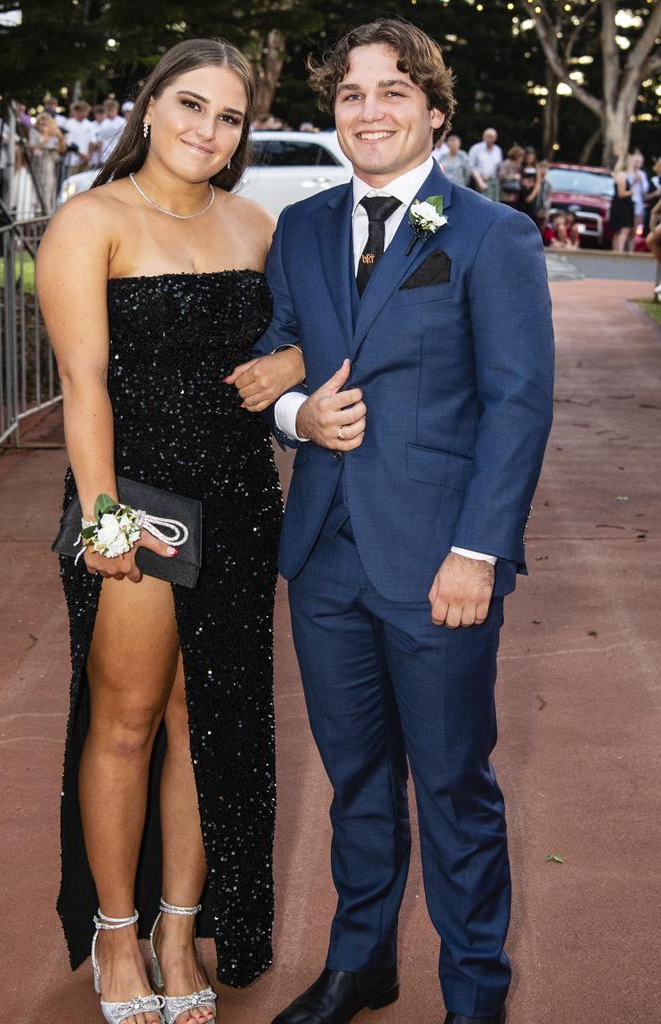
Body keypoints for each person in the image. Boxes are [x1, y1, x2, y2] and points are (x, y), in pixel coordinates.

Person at [240, 18, 554, 1024]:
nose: (368, 111)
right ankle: (360, 963)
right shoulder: (302, 230)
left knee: (454, 790)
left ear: (435, 111)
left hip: (439, 565)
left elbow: (518, 404)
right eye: (351, 94)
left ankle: (476, 996)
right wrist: (299, 415)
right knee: (357, 782)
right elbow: (282, 350)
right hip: (326, 557)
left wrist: (477, 552)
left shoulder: (493, 236)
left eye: (392, 91)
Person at [36, 38, 305, 1024]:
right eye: (190, 105)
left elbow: (312, 334)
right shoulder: (91, 220)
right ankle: (116, 934)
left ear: (244, 134)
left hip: (239, 498)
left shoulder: (256, 224)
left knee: (210, 721)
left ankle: (177, 924)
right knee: (130, 715)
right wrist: (104, 516)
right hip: (139, 500)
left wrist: (299, 357)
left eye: (229, 117)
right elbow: (84, 388)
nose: (207, 129)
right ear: (151, 108)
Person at [468, 127, 503, 201]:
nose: (489, 139)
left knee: (495, 205)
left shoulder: (497, 150)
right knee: (483, 205)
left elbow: (499, 167)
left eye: (492, 137)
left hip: (494, 182)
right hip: (481, 182)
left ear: (495, 138)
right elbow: (471, 166)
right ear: (483, 137)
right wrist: (480, 181)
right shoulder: (476, 148)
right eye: (487, 136)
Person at [63, 100, 96, 175]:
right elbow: (68, 142)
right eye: (84, 111)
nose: (86, 113)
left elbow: (93, 141)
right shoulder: (69, 124)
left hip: (86, 161)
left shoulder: (90, 124)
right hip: (72, 161)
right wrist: (81, 154)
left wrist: (88, 155)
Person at [610, 155, 635, 252]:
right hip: (621, 206)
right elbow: (621, 193)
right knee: (623, 230)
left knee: (618, 231)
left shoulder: (620, 174)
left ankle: (615, 252)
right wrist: (631, 192)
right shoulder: (621, 175)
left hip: (622, 205)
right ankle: (619, 252)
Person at [94, 98, 127, 165]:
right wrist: (99, 157)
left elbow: (125, 140)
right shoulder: (103, 123)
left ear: (116, 110)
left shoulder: (122, 122)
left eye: (112, 110)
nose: (110, 112)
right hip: (105, 157)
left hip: (118, 156)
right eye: (108, 110)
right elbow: (100, 141)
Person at [518, 146, 541, 222]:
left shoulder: (536, 168)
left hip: (531, 194)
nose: (529, 159)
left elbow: (538, 183)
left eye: (531, 157)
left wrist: (532, 195)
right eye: (528, 157)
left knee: (532, 215)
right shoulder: (521, 167)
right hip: (522, 194)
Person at [497, 144, 523, 208]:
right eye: (521, 156)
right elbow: (501, 176)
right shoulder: (506, 163)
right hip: (505, 194)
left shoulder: (519, 165)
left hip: (514, 195)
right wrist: (513, 177)